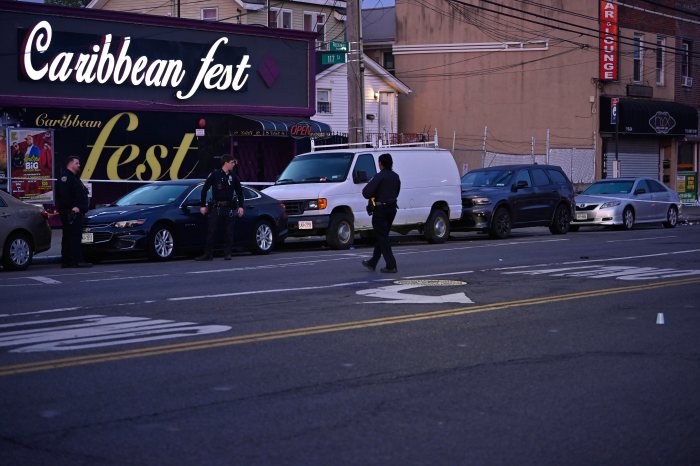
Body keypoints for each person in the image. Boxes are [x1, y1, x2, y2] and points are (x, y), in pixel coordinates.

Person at [195, 155, 244, 261]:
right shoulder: (215, 175)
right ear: (226, 163)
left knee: (229, 231)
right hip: (216, 207)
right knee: (211, 231)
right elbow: (204, 190)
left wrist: (241, 206)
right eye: (232, 162)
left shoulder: (234, 176)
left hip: (229, 207)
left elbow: (240, 193)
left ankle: (227, 253)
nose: (234, 164)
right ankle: (208, 254)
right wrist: (203, 205)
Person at [361, 152, 401, 273]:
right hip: (392, 209)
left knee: (382, 237)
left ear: (381, 164)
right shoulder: (396, 176)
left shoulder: (380, 176)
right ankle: (373, 262)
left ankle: (391, 265)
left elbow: (366, 192)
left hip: (381, 211)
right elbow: (397, 191)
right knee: (382, 236)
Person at [55, 156, 92, 268]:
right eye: (77, 163)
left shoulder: (74, 178)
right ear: (70, 164)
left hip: (75, 212)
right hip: (71, 213)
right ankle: (76, 260)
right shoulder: (66, 178)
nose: (79, 165)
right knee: (73, 236)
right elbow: (64, 196)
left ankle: (68, 261)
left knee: (70, 236)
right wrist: (73, 208)